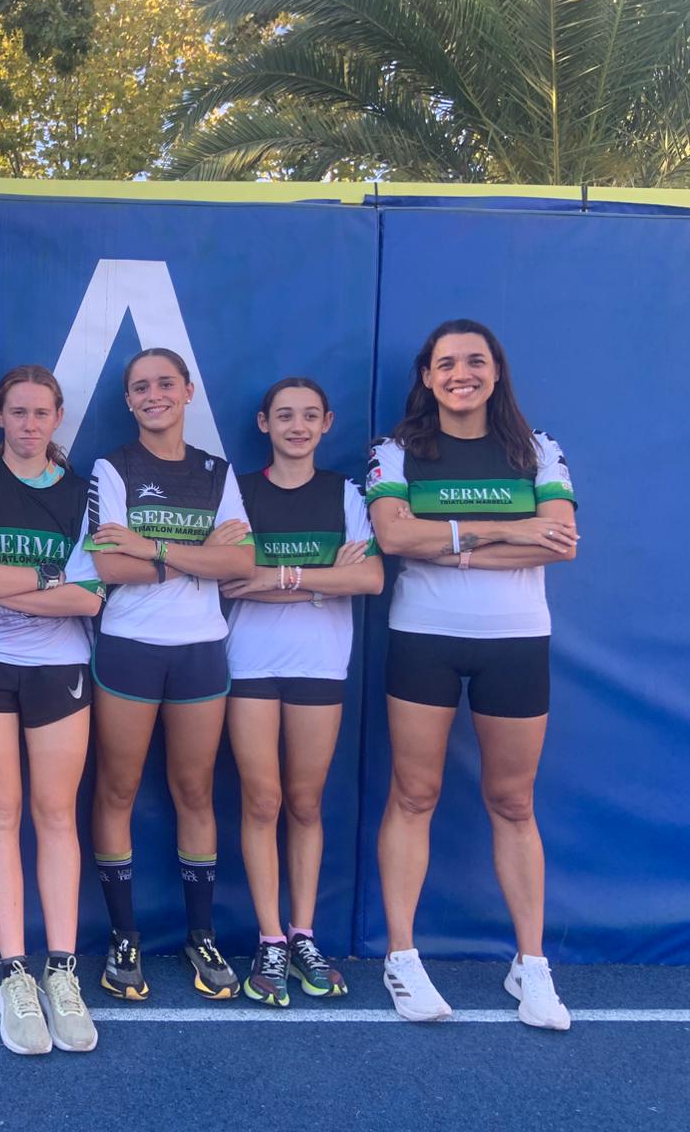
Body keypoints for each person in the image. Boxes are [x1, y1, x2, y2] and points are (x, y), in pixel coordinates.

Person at [366, 319, 578, 1030]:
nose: (462, 373)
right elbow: (394, 536)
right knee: (414, 793)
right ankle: (402, 956)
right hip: (423, 636)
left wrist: (451, 546)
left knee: (513, 802)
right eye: (448, 363)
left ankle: (531, 965)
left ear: (496, 371)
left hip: (515, 640)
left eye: (476, 361)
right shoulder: (396, 451)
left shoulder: (537, 448)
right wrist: (510, 529)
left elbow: (560, 542)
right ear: (428, 378)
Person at [84, 348, 254, 1003]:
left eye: (164, 383)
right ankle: (124, 937)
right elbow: (108, 567)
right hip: (130, 646)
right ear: (128, 401)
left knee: (195, 791)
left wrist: (153, 547)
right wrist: (198, 554)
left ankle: (201, 935)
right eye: (140, 387)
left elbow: (239, 563)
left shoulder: (216, 472)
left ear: (188, 391)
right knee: (117, 789)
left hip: (200, 649)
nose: (153, 395)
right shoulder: (113, 466)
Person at [0, 365, 103, 1056]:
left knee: (56, 814)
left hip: (59, 667)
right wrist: (48, 579)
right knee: (0, 812)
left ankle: (62, 972)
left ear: (58, 417)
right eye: (18, 412)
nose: (30, 424)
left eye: (42, 413)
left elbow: (89, 596)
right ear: (0, 416)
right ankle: (14, 975)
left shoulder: (81, 492)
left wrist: (5, 583)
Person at [223, 377, 383, 1006]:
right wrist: (320, 582)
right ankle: (269, 938)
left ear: (326, 424)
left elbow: (368, 578)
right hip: (250, 664)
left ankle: (303, 935)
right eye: (285, 415)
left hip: (320, 665)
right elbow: (230, 583)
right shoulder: (238, 491)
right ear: (264, 423)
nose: (297, 426)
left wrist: (279, 577)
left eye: (309, 416)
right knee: (262, 802)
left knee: (306, 803)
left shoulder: (344, 493)